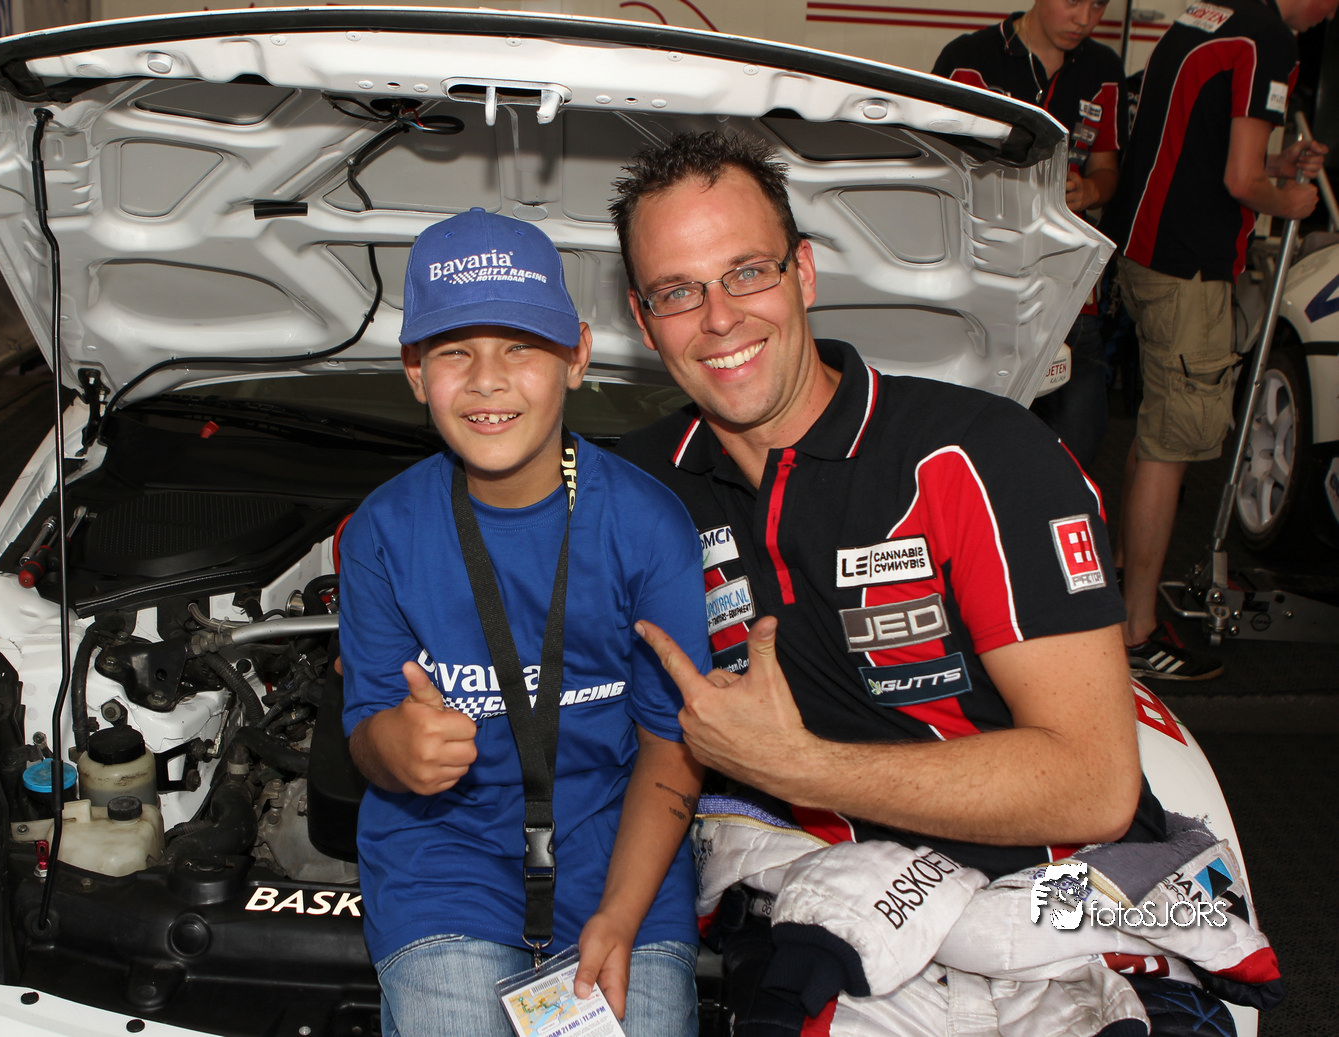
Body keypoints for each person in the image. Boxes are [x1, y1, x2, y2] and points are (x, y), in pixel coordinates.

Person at [608, 131, 1192, 1033]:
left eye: (747, 272)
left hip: (1061, 911)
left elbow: (1094, 783)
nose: (718, 318)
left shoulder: (979, 454)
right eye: (677, 291)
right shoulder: (635, 487)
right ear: (644, 320)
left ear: (803, 273)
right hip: (822, 920)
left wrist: (799, 765)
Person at [339, 207, 709, 1037]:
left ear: (576, 356)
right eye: (453, 352)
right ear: (413, 371)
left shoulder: (647, 524)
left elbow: (671, 745)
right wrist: (394, 747)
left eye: (521, 348)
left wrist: (618, 916)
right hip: (442, 863)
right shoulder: (381, 531)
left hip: (620, 863)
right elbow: (365, 727)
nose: (487, 380)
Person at [1100, 0, 1333, 681]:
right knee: (1172, 445)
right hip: (1188, 267)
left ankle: (1123, 585)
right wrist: (1286, 198)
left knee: (1155, 428)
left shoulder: (1211, 14)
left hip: (1143, 248)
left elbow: (1203, 142)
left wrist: (1274, 163)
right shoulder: (1270, 40)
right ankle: (1135, 631)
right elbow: (1239, 180)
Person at [933, 0, 1126, 471]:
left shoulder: (1103, 69)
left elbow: (1107, 170)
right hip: (983, 283)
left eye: (1098, 5)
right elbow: (931, 164)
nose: (1085, 18)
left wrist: (1091, 190)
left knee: (1076, 446)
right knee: (970, 440)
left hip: (1070, 292)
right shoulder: (969, 60)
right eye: (1073, 1)